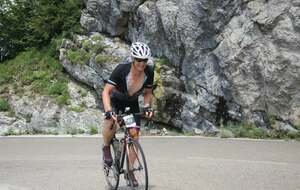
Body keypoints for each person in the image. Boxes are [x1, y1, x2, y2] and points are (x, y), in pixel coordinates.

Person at [101, 42, 154, 186]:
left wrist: (147, 107)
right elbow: (106, 91)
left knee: (134, 135)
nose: (142, 63)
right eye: (138, 60)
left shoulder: (149, 72)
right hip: (116, 101)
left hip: (131, 104)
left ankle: (130, 171)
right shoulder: (121, 70)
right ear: (133, 58)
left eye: (144, 60)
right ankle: (106, 147)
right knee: (110, 122)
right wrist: (108, 110)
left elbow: (148, 93)